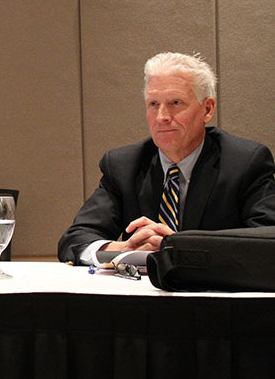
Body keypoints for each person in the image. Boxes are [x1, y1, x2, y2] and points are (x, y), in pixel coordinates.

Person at [58, 52, 275, 265]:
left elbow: (266, 242)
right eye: (153, 104)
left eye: (175, 103)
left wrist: (180, 247)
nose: (162, 117)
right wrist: (125, 248)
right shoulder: (124, 166)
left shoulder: (245, 163)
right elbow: (75, 240)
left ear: (207, 109)